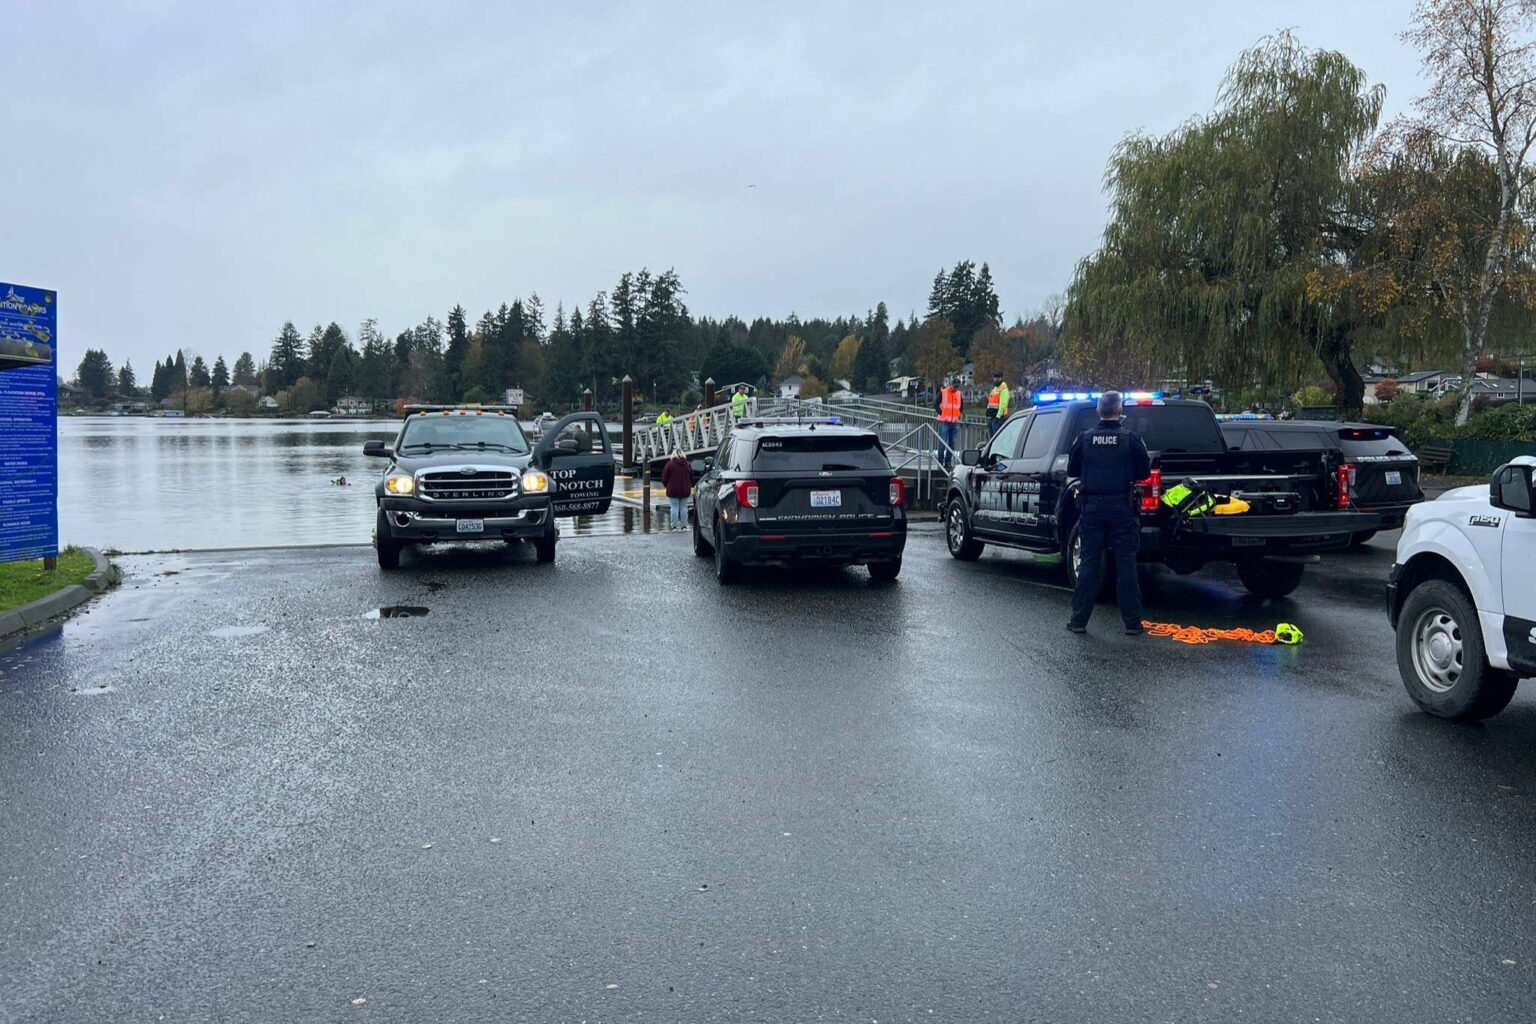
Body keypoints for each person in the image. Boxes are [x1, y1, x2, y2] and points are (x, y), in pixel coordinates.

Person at [1065, 391, 1151, 636]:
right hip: (1122, 508)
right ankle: (1132, 623)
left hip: (1091, 509)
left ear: (1098, 411)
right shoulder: (1131, 439)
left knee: (1090, 565)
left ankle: (1078, 621)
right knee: (1126, 566)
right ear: (1120, 411)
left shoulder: (1084, 439)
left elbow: (1072, 470)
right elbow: (1144, 473)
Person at [660, 449, 693, 531]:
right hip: (685, 490)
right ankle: (684, 526)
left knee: (674, 508)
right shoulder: (687, 465)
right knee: (684, 508)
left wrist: (666, 485)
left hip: (673, 490)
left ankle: (674, 526)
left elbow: (664, 478)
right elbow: (691, 477)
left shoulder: (669, 465)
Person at [935, 380, 963, 467]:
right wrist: (941, 413)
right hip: (944, 422)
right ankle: (940, 461)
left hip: (954, 422)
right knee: (942, 443)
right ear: (951, 385)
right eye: (955, 386)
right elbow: (935, 404)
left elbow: (961, 407)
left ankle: (948, 462)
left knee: (952, 443)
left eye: (957, 386)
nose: (956, 388)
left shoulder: (959, 394)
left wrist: (958, 415)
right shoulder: (943, 392)